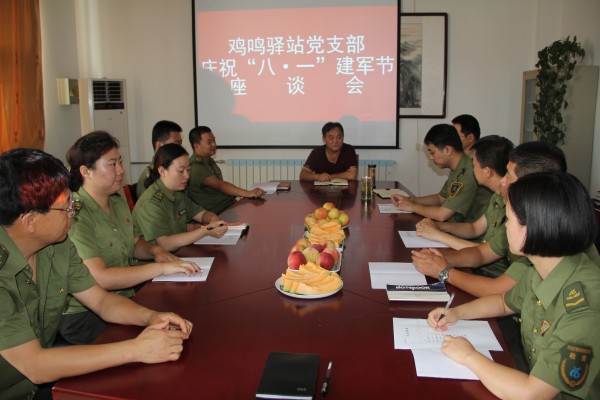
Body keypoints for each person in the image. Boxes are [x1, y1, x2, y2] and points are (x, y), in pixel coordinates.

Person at [0, 149, 192, 400]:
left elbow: (100, 300)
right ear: (30, 221)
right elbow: (35, 366)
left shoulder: (58, 246)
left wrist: (150, 316)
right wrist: (137, 349)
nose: (73, 213)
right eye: (66, 208)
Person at [428, 172, 600, 399]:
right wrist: (456, 313)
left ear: (532, 228)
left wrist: (469, 356)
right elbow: (503, 302)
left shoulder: (584, 307)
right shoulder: (542, 268)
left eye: (508, 220)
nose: (505, 227)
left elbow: (531, 393)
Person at [59, 131, 201, 345]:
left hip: (124, 298)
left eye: (120, 162)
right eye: (112, 164)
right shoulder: (76, 215)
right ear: (86, 171)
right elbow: (100, 278)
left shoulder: (116, 201)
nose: (121, 170)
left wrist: (155, 251)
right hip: (86, 314)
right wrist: (160, 268)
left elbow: (134, 242)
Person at [410, 141, 600, 297]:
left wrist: (444, 271)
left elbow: (497, 291)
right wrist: (441, 259)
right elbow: (483, 253)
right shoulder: (520, 213)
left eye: (508, 176)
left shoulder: (548, 233)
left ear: (533, 185)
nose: (502, 180)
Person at [415, 135, 514, 277]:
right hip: (476, 266)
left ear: (487, 171)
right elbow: (474, 228)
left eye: (474, 165)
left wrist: (439, 235)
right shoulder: (496, 196)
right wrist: (440, 226)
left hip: (492, 275)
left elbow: (483, 251)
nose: (472, 169)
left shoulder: (512, 203)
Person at [133, 143, 228, 251]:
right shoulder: (151, 202)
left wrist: (213, 219)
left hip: (179, 252)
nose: (187, 176)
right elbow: (164, 244)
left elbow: (202, 214)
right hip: (157, 258)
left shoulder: (177, 193)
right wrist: (205, 231)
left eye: (188, 170)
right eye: (181, 171)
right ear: (162, 171)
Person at [392, 124, 492, 223]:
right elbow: (440, 198)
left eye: (432, 152)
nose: (431, 157)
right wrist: (410, 200)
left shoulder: (469, 171)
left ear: (447, 150)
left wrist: (413, 207)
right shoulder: (458, 168)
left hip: (471, 230)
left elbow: (442, 215)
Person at [187, 126, 265, 214]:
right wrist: (248, 193)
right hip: (217, 211)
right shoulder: (195, 166)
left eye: (214, 140)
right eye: (209, 142)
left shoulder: (208, 160)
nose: (214, 144)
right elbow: (220, 185)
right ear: (196, 146)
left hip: (227, 205)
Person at [136, 120, 183, 199]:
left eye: (180, 144)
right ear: (159, 146)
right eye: (175, 144)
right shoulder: (150, 177)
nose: (179, 149)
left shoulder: (172, 170)